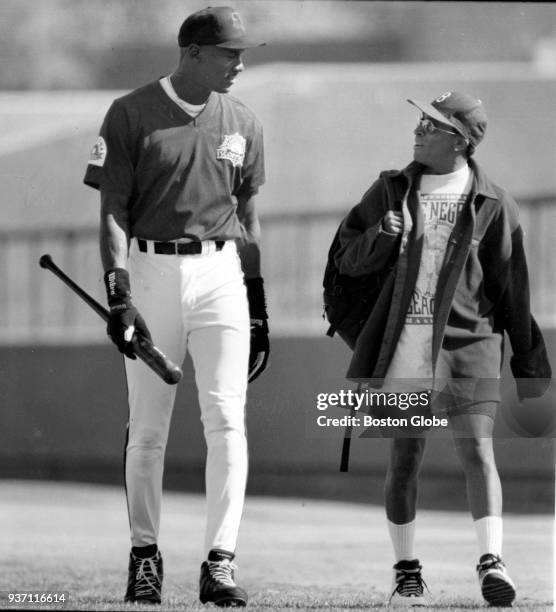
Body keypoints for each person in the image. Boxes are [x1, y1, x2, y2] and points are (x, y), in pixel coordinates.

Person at [333, 91, 551, 606]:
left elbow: (512, 289)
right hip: (403, 346)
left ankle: (492, 562)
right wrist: (379, 238)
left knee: (478, 451)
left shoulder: (495, 203)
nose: (418, 129)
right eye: (420, 121)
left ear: (461, 141)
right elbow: (345, 261)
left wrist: (529, 362)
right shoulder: (387, 191)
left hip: (471, 345)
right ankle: (406, 569)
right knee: (404, 458)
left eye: (431, 125)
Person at [83, 6, 269, 607]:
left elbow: (250, 218)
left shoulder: (244, 121)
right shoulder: (129, 113)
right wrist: (119, 293)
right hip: (151, 269)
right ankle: (144, 557)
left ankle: (220, 564)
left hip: (221, 274)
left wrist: (257, 303)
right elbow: (113, 211)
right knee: (149, 430)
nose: (239, 63)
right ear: (191, 52)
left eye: (242, 53)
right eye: (228, 53)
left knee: (227, 420)